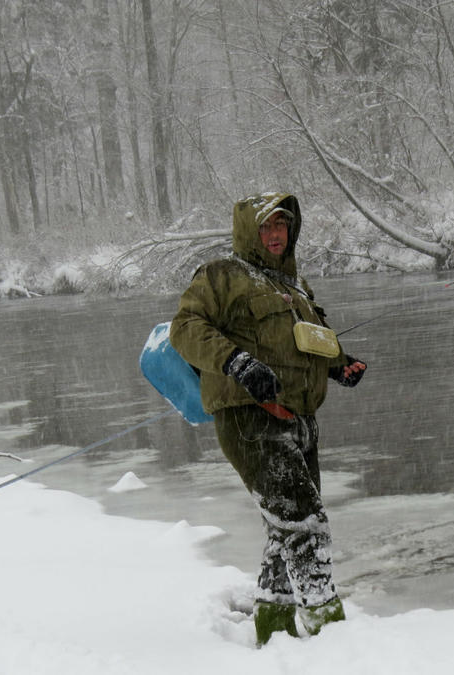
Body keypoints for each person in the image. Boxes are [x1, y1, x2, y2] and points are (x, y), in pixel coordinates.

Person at [169, 192, 366, 646]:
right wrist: (237, 362)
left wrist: (340, 365)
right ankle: (332, 635)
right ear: (248, 230)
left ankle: (273, 629)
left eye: (282, 224)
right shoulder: (221, 275)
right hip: (249, 420)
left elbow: (308, 343)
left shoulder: (296, 288)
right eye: (266, 226)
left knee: (284, 529)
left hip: (300, 421)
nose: (276, 234)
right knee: (304, 521)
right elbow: (185, 328)